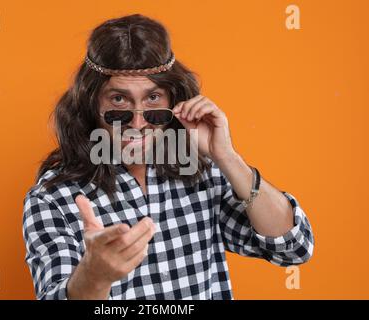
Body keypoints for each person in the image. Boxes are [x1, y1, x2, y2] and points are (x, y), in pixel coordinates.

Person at [22, 14, 314, 300]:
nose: (137, 124)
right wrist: (94, 276)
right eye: (119, 100)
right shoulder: (52, 197)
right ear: (91, 103)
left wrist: (227, 157)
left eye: (153, 98)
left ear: (174, 101)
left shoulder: (203, 171)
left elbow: (293, 247)